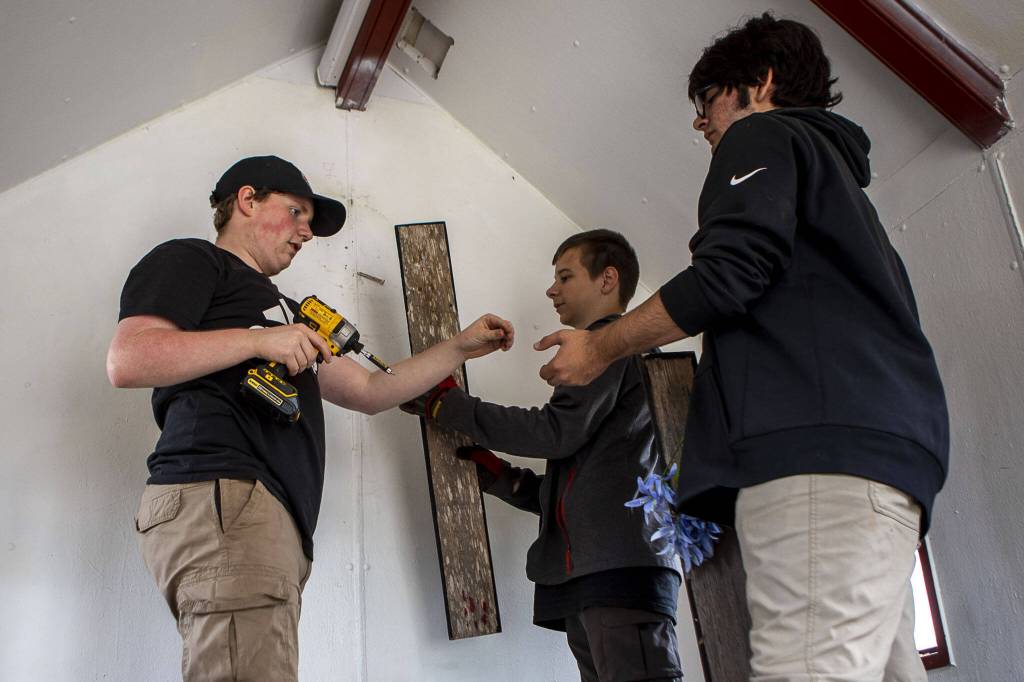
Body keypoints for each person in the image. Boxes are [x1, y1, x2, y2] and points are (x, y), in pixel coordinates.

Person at [533, 15, 948, 682]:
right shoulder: (847, 205)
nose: (701, 123)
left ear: (761, 83)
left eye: (709, 102)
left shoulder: (764, 133)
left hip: (815, 462)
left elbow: (728, 273)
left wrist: (600, 349)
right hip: (887, 473)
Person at [106, 155, 513, 681]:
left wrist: (460, 347)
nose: (306, 233)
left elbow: (369, 389)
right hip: (226, 492)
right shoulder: (192, 259)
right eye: (296, 212)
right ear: (248, 201)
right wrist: (259, 340)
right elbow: (129, 359)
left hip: (262, 512)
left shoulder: (282, 308)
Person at [404, 230, 683, 682]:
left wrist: (449, 406)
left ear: (607, 279)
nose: (552, 290)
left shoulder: (610, 347)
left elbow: (554, 433)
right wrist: (502, 479)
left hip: (618, 574)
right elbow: (583, 483)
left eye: (566, 276)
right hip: (598, 577)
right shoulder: (605, 354)